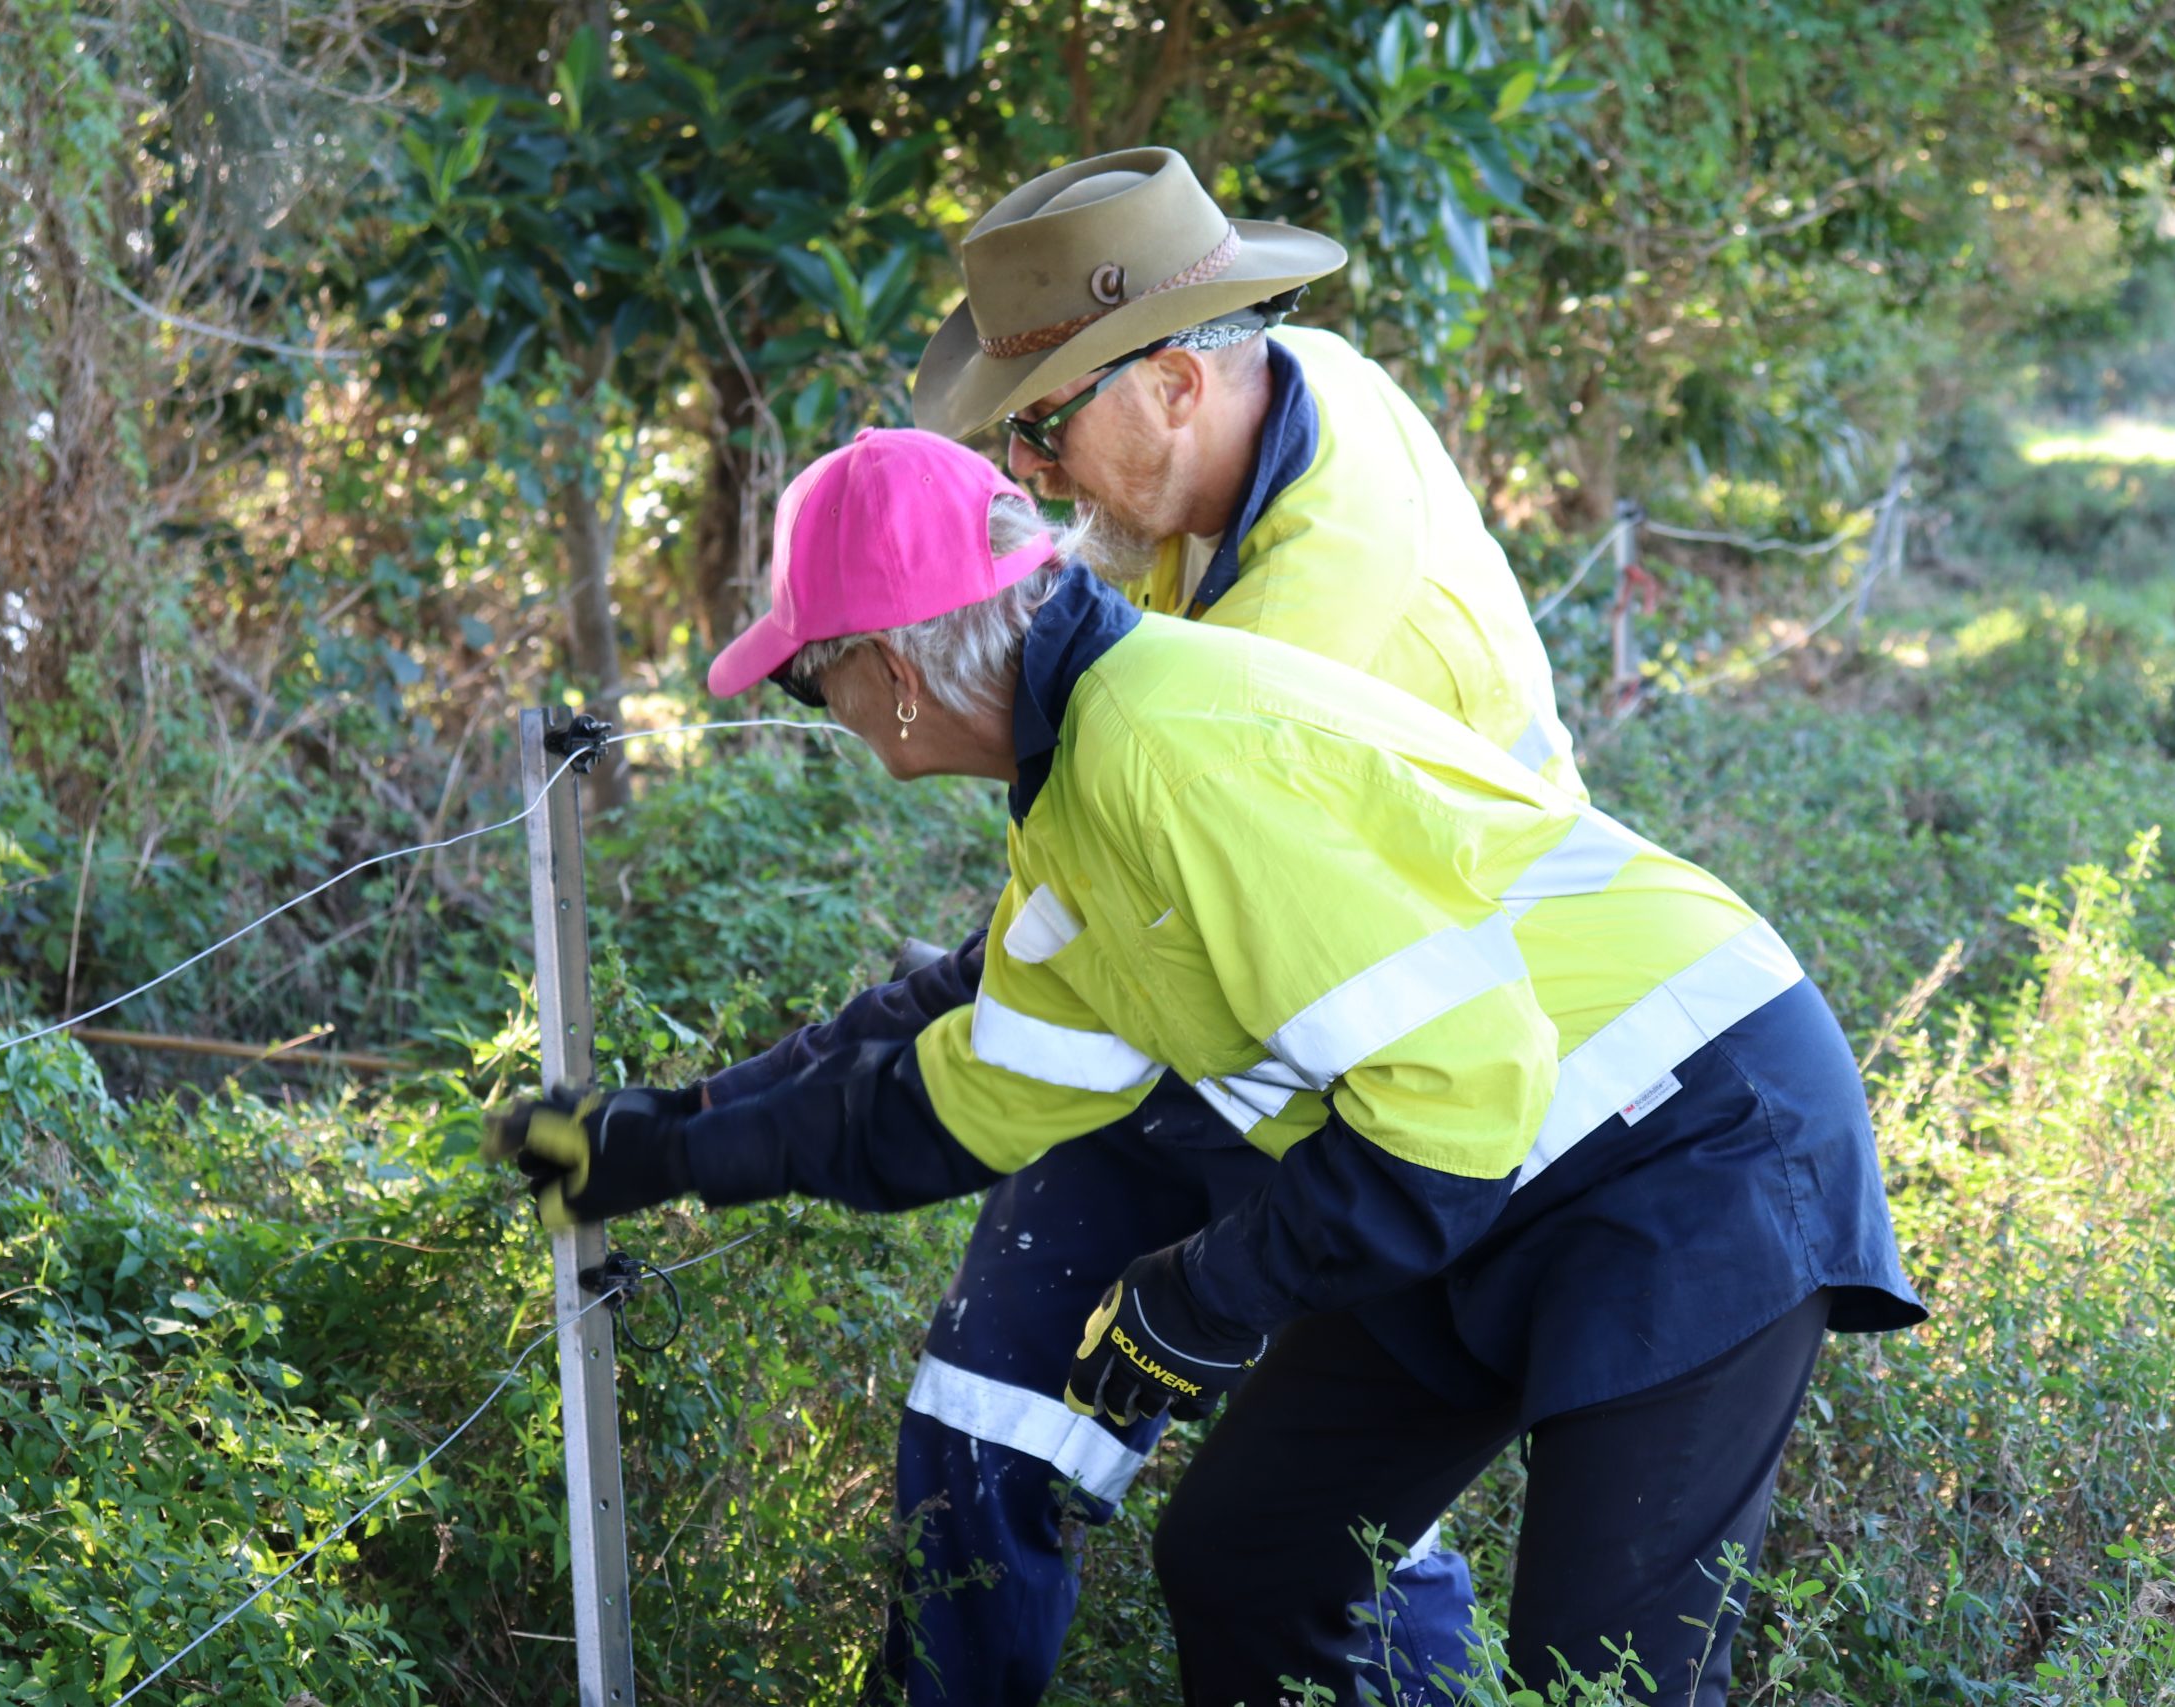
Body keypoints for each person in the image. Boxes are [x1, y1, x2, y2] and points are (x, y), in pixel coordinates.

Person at [484, 429, 1925, 1706]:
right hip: (1493, 1168)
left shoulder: (1164, 748)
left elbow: (1455, 1092)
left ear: (897, 671)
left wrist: (1201, 1293)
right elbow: (956, 1099)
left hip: (1688, 1138)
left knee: (1600, 1680)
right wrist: (660, 1147)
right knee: (1248, 1560)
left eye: (812, 673)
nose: (821, 707)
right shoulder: (1081, 799)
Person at [880, 145, 1583, 1704]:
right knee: (1007, 1405)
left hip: (1403, 1074)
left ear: (1179, 381)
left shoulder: (1287, 628)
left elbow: (1112, 881)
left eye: (1048, 425)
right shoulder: (1294, 380)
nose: (1037, 478)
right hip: (1272, 1001)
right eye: (1018, 437)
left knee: (1325, 1511)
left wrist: (908, 1051)